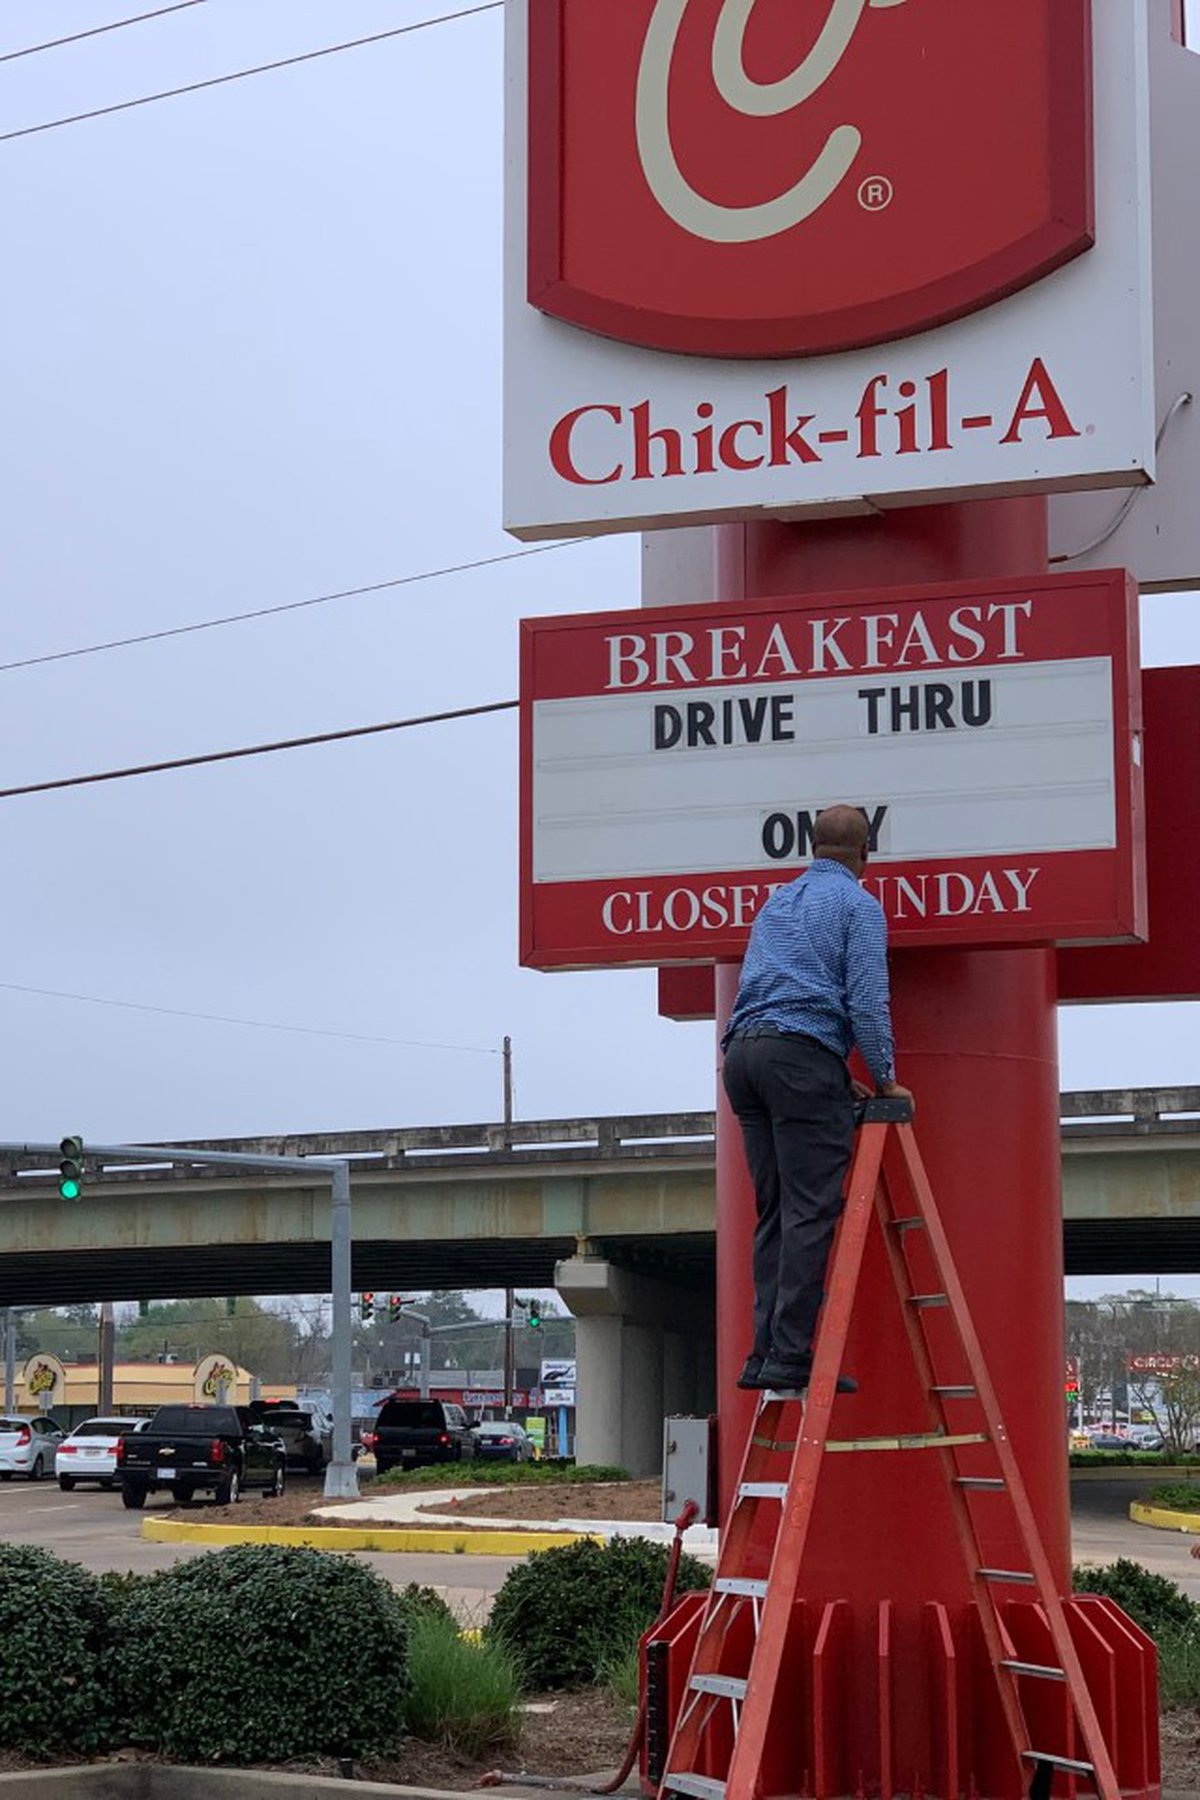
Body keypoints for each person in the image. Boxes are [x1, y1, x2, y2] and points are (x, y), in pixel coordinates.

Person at [721, 804, 914, 1393]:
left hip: (745, 1058)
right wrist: (883, 1077)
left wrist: (828, 1071)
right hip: (798, 1058)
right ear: (866, 853)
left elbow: (765, 986)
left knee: (776, 1211)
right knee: (810, 1211)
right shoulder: (859, 905)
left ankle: (761, 1356)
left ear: (811, 846)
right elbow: (866, 1003)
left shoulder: (777, 903)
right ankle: (790, 1358)